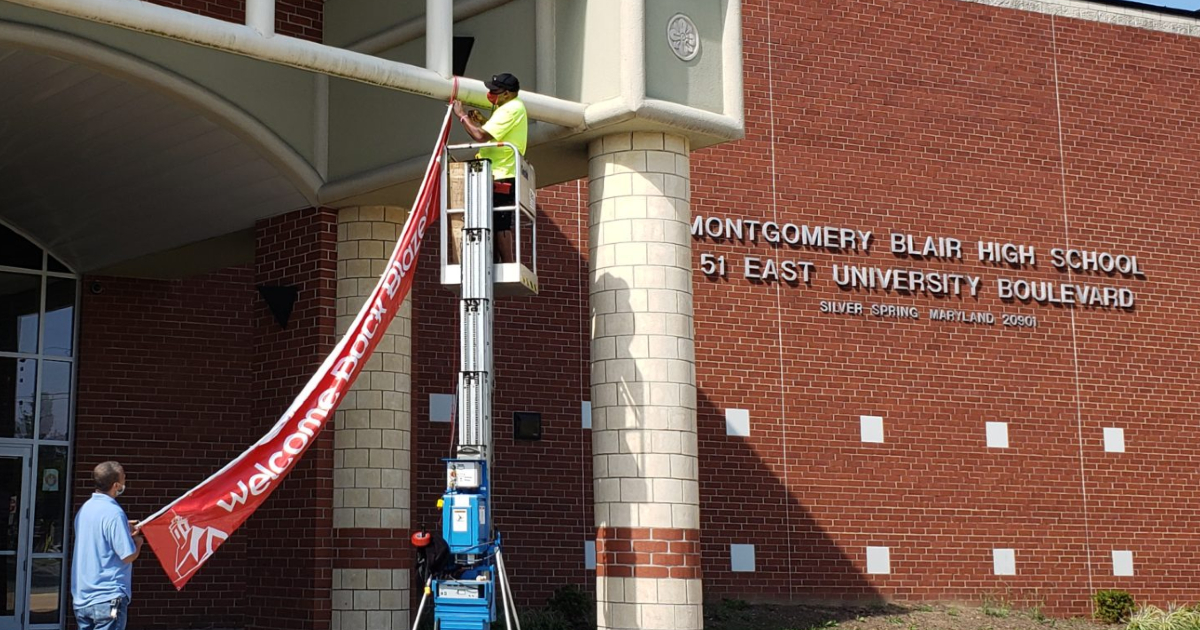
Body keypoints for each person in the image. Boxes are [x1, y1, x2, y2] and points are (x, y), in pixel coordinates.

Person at [452, 72, 528, 264]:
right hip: (497, 171)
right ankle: (496, 260)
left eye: (495, 91)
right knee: (494, 219)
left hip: (501, 173)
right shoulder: (510, 107)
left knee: (500, 221)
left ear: (508, 93)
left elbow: (480, 137)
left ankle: (506, 262)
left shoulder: (509, 109)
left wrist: (461, 116)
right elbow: (496, 134)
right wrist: (482, 121)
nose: (491, 94)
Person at [72, 461, 142, 630]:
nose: (125, 481)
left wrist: (123, 528)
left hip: (82, 599)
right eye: (124, 478)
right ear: (116, 485)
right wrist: (138, 543)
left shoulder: (85, 509)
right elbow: (127, 555)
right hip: (109, 599)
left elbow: (97, 539)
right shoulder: (114, 512)